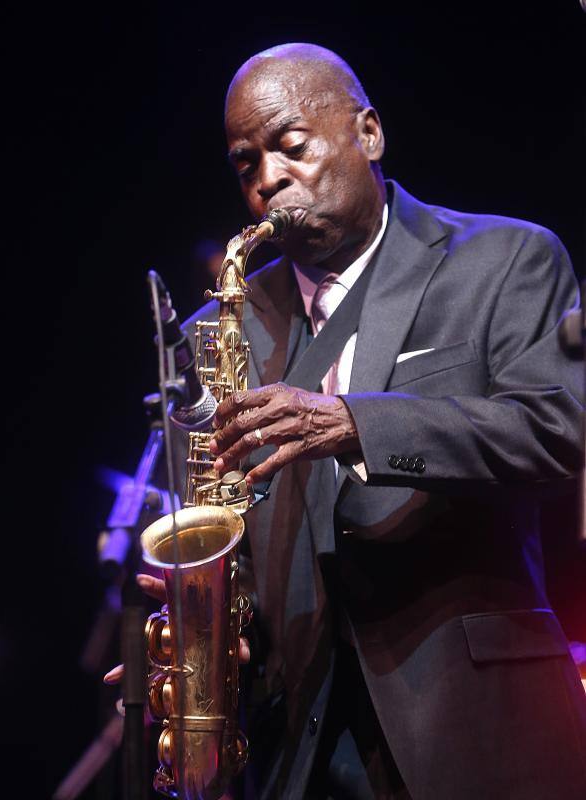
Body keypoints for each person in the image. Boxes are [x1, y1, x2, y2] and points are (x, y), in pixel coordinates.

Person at [113, 43, 586, 799]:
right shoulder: (219, 331)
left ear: (367, 133)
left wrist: (356, 425)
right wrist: (205, 640)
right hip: (292, 747)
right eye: (246, 166)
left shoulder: (505, 258)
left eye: (291, 147)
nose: (269, 181)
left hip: (479, 732)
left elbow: (562, 430)